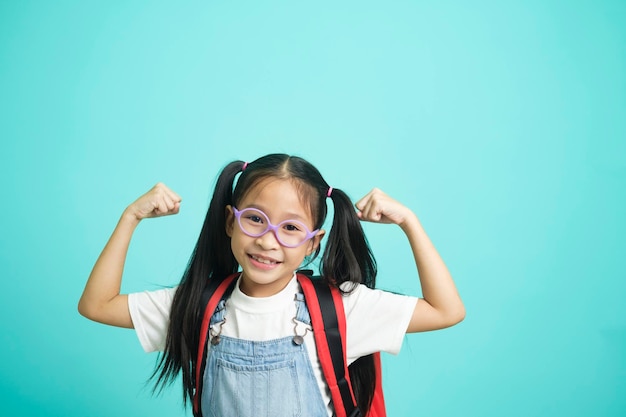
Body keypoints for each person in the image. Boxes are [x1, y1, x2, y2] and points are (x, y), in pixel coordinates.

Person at [78, 153, 465, 417]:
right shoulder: (196, 306)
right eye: (255, 219)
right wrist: (131, 217)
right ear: (230, 222)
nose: (268, 240)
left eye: (291, 228)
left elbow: (447, 310)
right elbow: (96, 304)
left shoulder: (341, 309)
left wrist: (409, 222)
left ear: (314, 243)